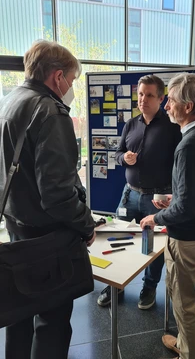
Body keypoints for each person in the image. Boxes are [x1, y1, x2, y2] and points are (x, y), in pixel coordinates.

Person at [0, 40, 96, 359]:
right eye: (72, 80)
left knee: (19, 316)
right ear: (57, 77)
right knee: (52, 323)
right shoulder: (51, 112)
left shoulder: (11, 101)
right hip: (47, 240)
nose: (71, 87)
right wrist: (86, 225)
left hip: (16, 226)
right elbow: (57, 195)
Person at [140, 72, 195, 359]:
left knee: (183, 302)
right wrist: (180, 200)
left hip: (186, 238)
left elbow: (186, 208)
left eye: (171, 101)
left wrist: (156, 217)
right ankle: (183, 343)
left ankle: (189, 353)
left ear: (188, 107)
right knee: (182, 295)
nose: (166, 106)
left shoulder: (188, 145)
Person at [97, 74, 182, 309]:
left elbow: (180, 164)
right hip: (130, 194)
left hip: (157, 199)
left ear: (161, 98)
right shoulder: (131, 124)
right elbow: (117, 153)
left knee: (151, 245)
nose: (143, 99)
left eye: (149, 95)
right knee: (118, 238)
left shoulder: (173, 127)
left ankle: (149, 287)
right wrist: (123, 157)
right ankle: (115, 285)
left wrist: (173, 195)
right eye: (140, 94)